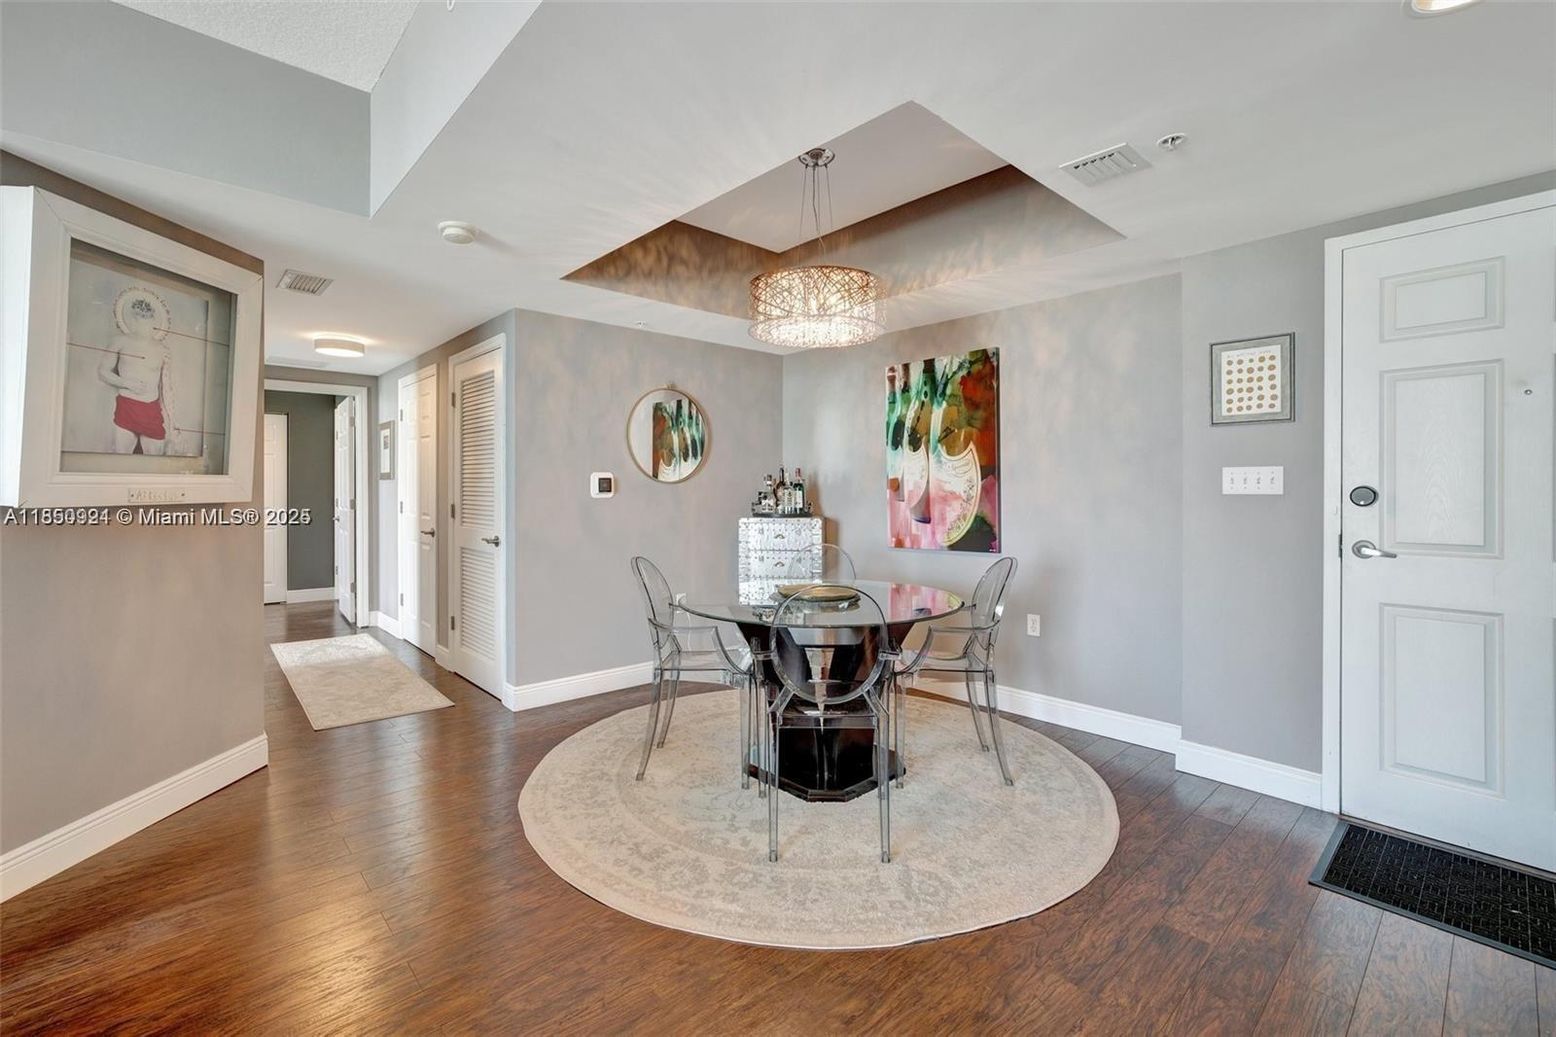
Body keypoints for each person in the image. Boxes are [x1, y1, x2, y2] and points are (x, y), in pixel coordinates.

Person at [97, 288, 177, 455]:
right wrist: (126, 383)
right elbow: (102, 372)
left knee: (153, 465)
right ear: (133, 320)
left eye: (147, 320)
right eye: (140, 320)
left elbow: (166, 388)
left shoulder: (163, 350)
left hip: (151, 410)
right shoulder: (119, 341)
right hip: (127, 407)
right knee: (121, 462)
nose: (144, 325)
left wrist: (172, 423)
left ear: (153, 321)